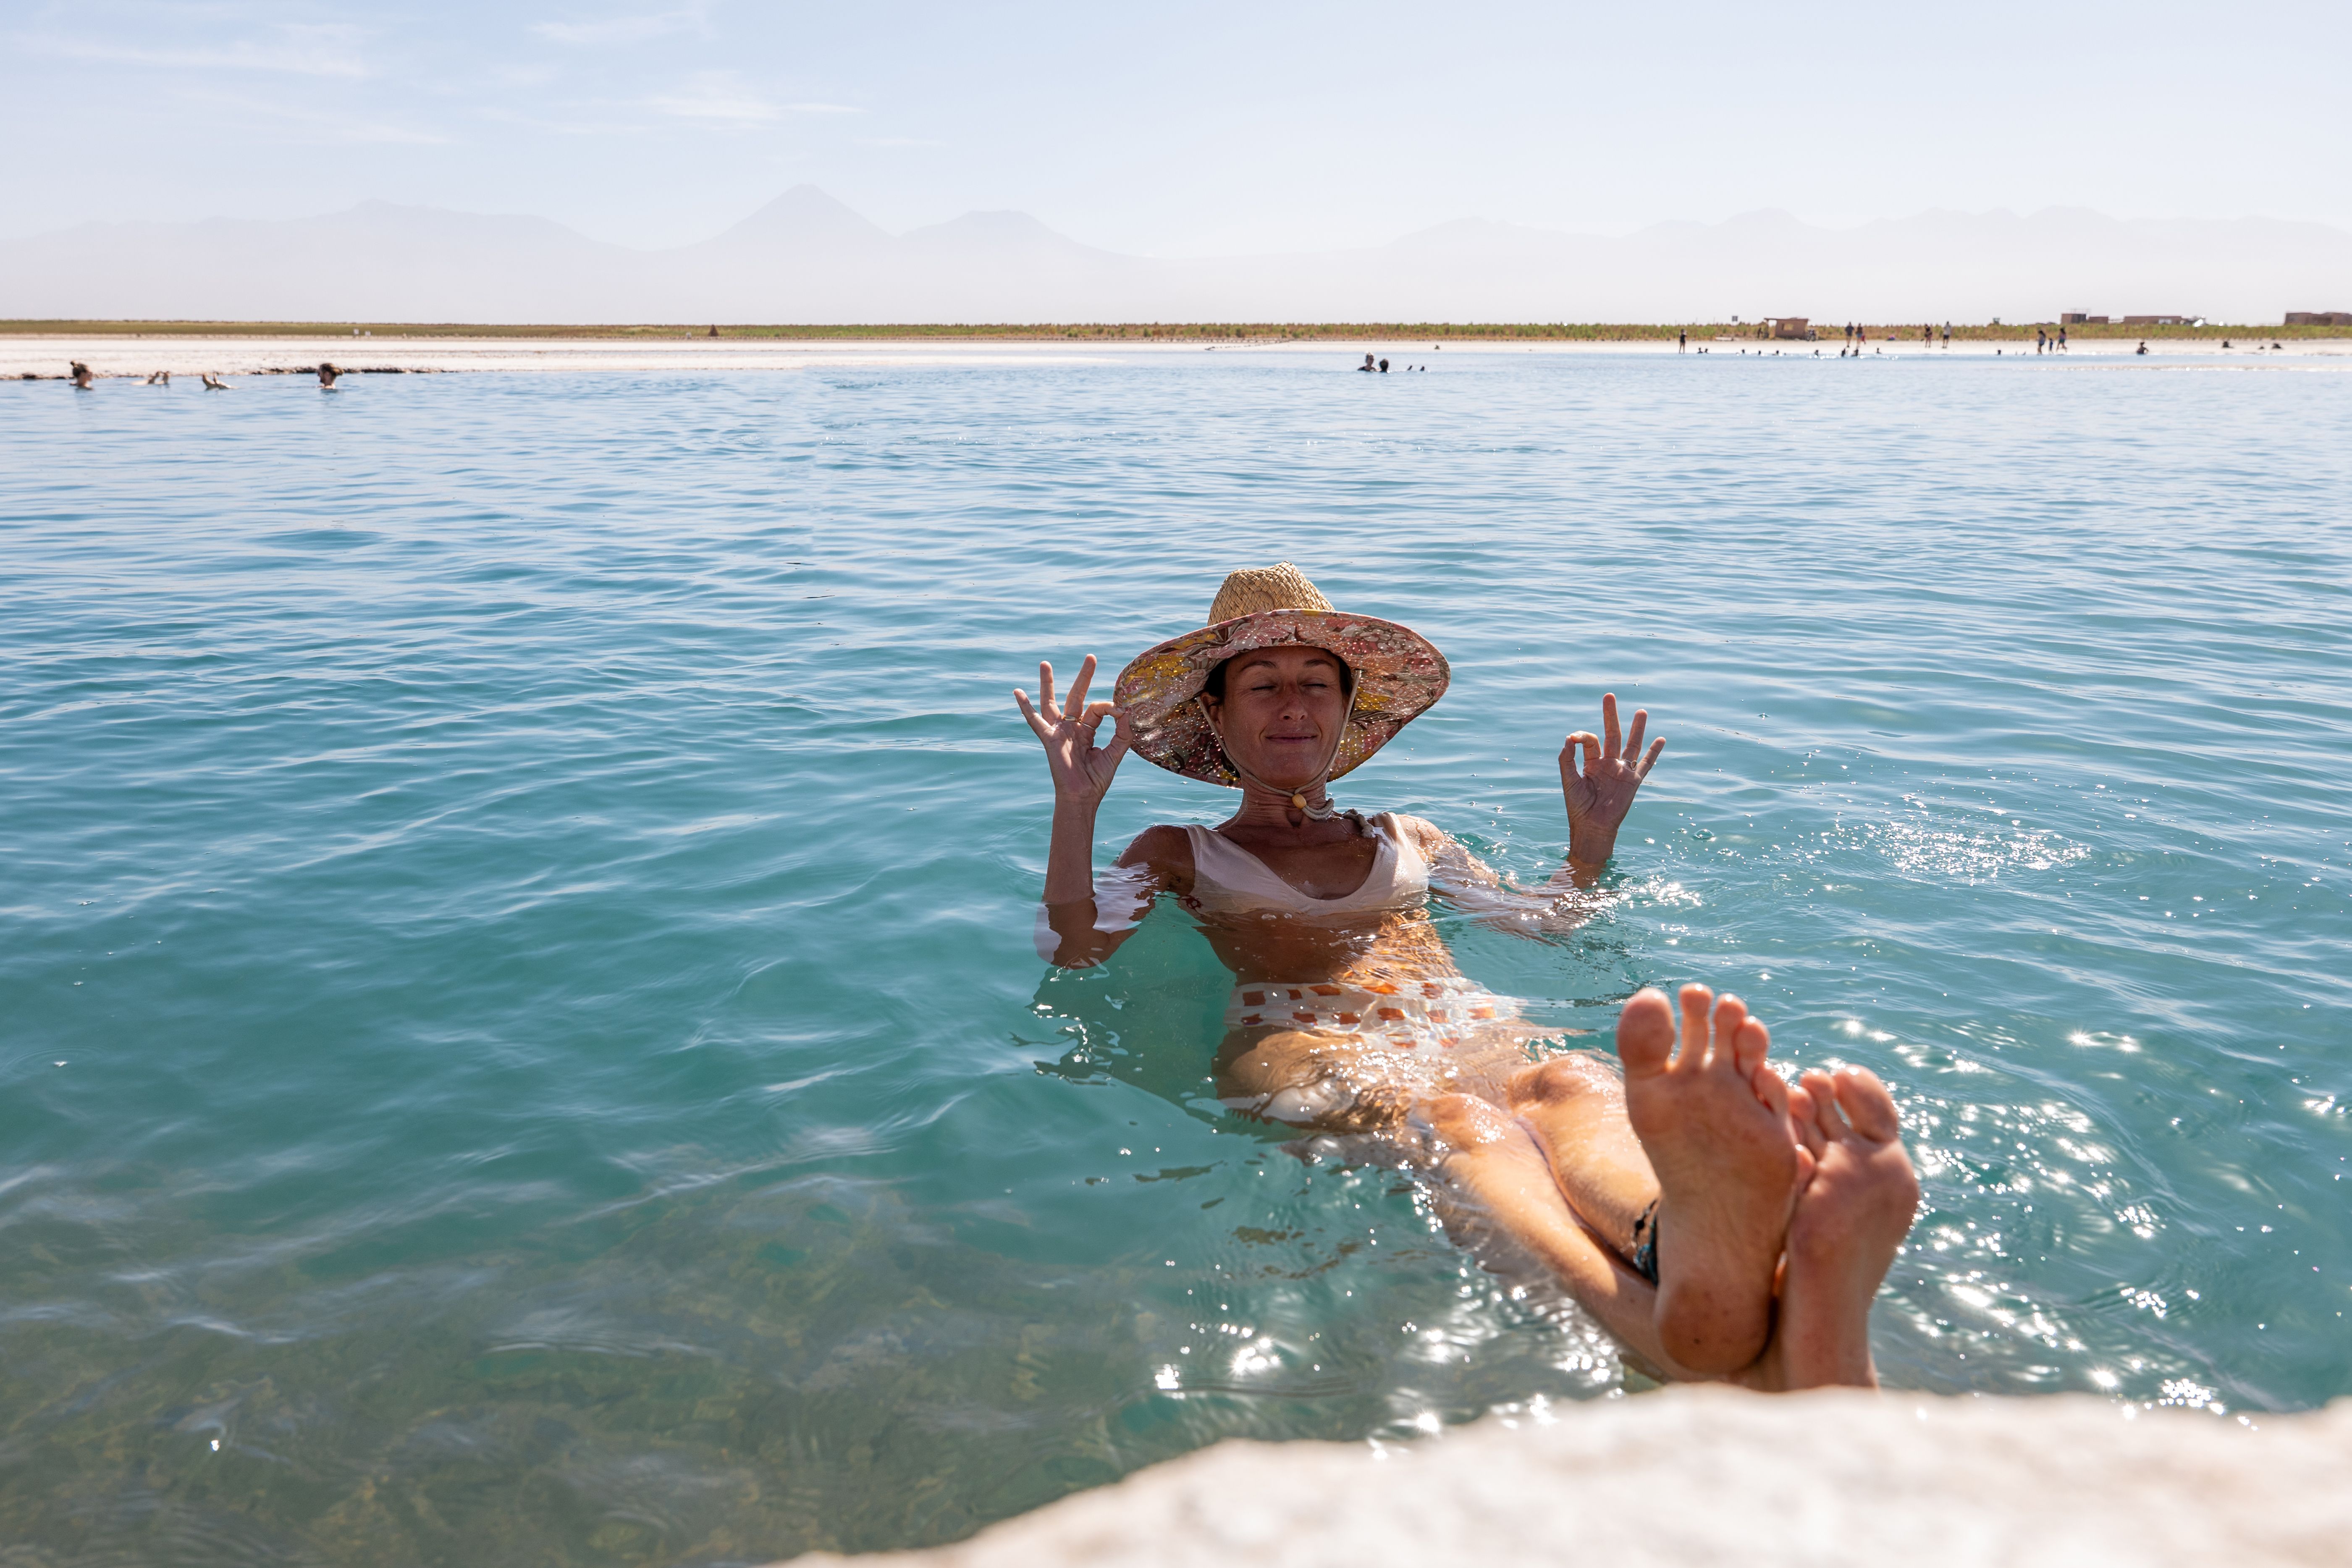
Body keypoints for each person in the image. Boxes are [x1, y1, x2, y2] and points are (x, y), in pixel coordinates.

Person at [1017, 566, 1919, 1388]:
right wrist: (1075, 808)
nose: (1292, 706)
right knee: (1462, 1124)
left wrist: (1588, 847)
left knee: (1569, 1079)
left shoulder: (1411, 835)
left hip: (1461, 1022)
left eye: (1315, 684)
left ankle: (1691, 1250)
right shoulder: (1178, 849)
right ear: (1216, 716)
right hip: (1300, 1036)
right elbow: (1074, 947)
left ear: (1347, 709)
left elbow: (1541, 921)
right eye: (1263, 686)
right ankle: (1680, 1316)